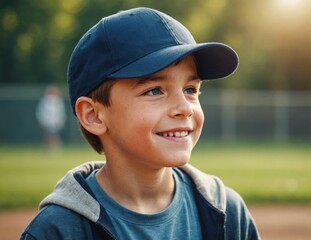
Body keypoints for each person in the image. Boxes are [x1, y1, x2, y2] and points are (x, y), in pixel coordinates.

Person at [21, 7, 260, 240]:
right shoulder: (59, 230)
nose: (185, 108)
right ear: (93, 115)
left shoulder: (227, 213)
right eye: (154, 91)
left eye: (190, 89)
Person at [36, 86, 66, 151]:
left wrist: (60, 121)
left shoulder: (58, 101)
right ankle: (46, 148)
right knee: (48, 135)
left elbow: (61, 112)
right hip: (47, 122)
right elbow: (41, 112)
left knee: (54, 135)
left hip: (55, 122)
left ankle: (55, 148)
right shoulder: (44, 101)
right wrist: (42, 121)